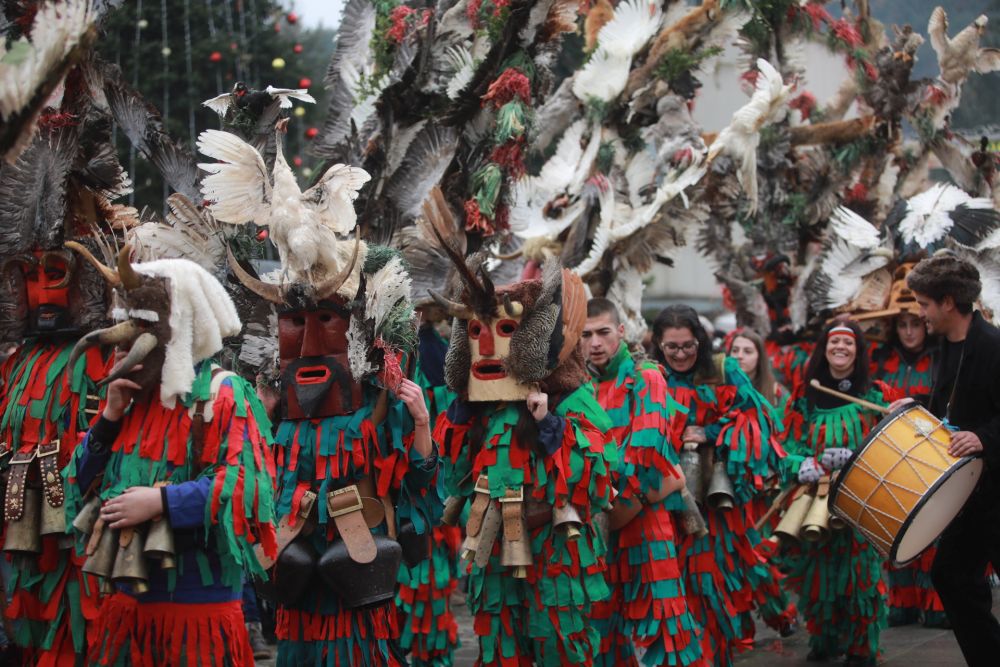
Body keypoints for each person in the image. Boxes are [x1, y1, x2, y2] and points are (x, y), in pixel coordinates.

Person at [63, 251, 278, 667]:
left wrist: (161, 502)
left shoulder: (223, 393)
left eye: (142, 325)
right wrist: (108, 418)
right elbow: (78, 483)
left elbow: (247, 490)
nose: (124, 344)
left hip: (198, 610)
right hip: (126, 612)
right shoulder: (129, 400)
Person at [434, 259, 616, 666]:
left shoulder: (571, 397)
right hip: (493, 543)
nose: (486, 347)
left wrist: (549, 424)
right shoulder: (476, 406)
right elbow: (456, 476)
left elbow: (595, 478)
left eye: (503, 330)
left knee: (559, 645)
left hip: (555, 544)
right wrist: (461, 415)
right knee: (500, 646)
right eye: (476, 332)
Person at [653, 305, 783, 666]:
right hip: (667, 497)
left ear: (700, 341)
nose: (681, 354)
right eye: (671, 347)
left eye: (688, 346)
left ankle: (714, 653)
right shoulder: (650, 376)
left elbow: (759, 418)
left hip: (717, 499)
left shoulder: (725, 370)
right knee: (674, 580)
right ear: (658, 344)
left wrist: (710, 432)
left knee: (711, 579)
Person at [581, 298, 703, 667]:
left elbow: (646, 454)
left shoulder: (646, 376)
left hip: (644, 518)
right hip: (601, 522)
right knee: (603, 626)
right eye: (586, 335)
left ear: (621, 331)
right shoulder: (580, 386)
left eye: (603, 332)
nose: (595, 343)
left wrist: (620, 506)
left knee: (665, 623)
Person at [896, 254, 1000, 667]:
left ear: (948, 303)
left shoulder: (992, 346)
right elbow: (952, 408)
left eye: (924, 304)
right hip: (969, 491)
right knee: (952, 576)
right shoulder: (946, 345)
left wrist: (984, 438)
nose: (920, 313)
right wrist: (916, 406)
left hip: (995, 486)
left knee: (953, 575)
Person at [781, 320, 891, 666]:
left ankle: (861, 646)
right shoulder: (804, 395)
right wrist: (804, 463)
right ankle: (825, 639)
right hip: (815, 498)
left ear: (858, 351)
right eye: (834, 342)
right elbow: (786, 445)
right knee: (819, 570)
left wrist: (856, 457)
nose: (840, 347)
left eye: (848, 342)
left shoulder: (874, 395)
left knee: (861, 573)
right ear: (823, 348)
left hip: (859, 499)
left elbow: (888, 447)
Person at [864, 279, 945, 629]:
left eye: (915, 323)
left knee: (934, 528)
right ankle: (903, 602)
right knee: (895, 524)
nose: (910, 332)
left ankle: (937, 603)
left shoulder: (943, 357)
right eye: (902, 324)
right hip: (892, 452)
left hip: (933, 453)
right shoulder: (881, 359)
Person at [724, 328, 798, 639]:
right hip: (728, 490)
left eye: (748, 351)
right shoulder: (719, 391)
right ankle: (739, 629)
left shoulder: (777, 394)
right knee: (730, 559)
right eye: (735, 350)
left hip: (765, 493)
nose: (740, 357)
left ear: (760, 357)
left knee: (760, 558)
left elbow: (789, 441)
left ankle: (781, 614)